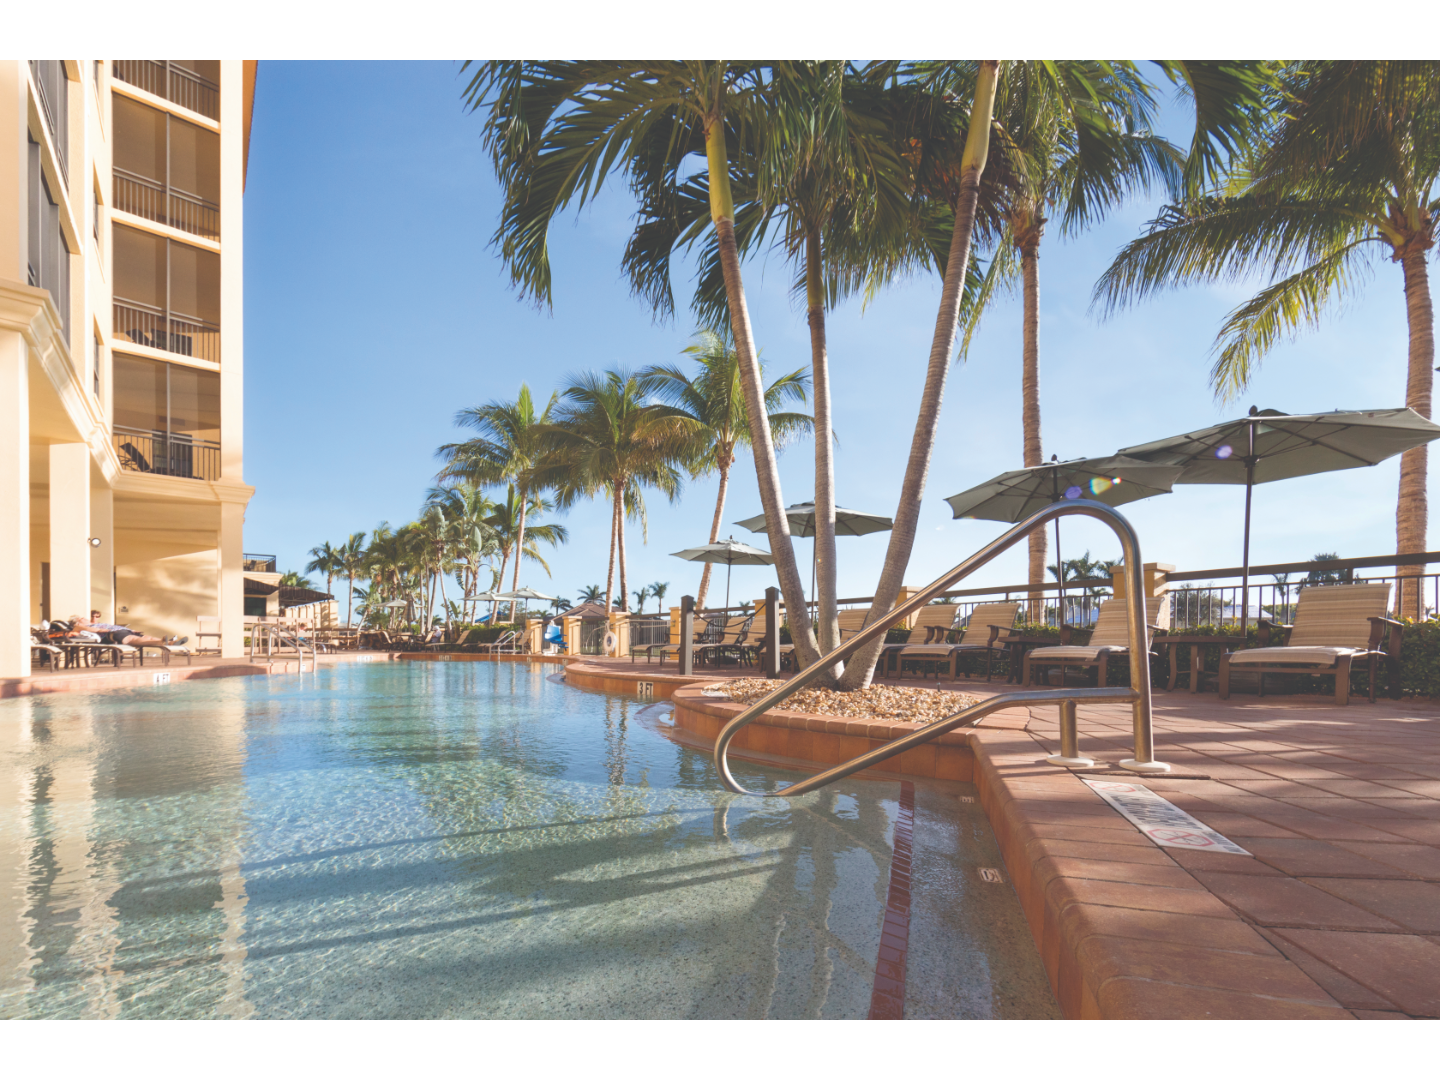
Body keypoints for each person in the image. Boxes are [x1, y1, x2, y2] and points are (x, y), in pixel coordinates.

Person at [70, 615, 186, 648]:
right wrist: (108, 630)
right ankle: (162, 642)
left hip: (121, 630)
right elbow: (96, 630)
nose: (85, 618)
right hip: (112, 634)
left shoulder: (93, 622)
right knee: (135, 640)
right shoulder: (78, 626)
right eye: (82, 618)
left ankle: (171, 642)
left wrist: (130, 629)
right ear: (78, 622)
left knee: (147, 637)